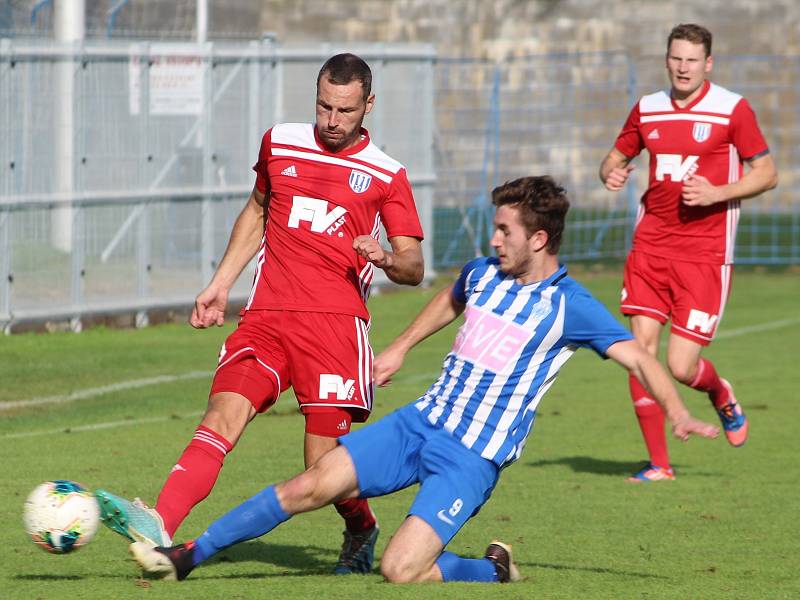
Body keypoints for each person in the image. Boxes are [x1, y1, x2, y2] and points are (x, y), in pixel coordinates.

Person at [126, 176, 719, 584]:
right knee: (311, 484)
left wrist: (678, 412)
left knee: (399, 570)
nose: (493, 239)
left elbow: (642, 359)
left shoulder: (573, 306)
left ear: (538, 240)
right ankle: (188, 556)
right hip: (420, 423)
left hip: (472, 456)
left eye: (505, 231)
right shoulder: (484, 273)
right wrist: (401, 348)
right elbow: (450, 299)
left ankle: (490, 570)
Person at [96, 53, 425, 574]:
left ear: (368, 104)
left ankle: (361, 524)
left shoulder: (386, 174)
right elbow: (258, 208)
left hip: (335, 331)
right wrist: (220, 282)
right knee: (221, 417)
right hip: (266, 317)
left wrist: (386, 257)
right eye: (324, 106)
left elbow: (413, 264)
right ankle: (157, 526)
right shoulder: (280, 142)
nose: (332, 120)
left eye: (345, 110)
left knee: (321, 468)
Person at [598, 24, 778, 482]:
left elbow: (767, 173)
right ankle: (660, 463)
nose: (683, 67)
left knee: (680, 367)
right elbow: (615, 158)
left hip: (704, 255)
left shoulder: (731, 109)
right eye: (676, 58)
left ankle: (720, 394)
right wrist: (611, 173)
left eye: (692, 60)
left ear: (708, 64)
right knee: (638, 353)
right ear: (667, 60)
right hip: (651, 248)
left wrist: (720, 192)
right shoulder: (648, 109)